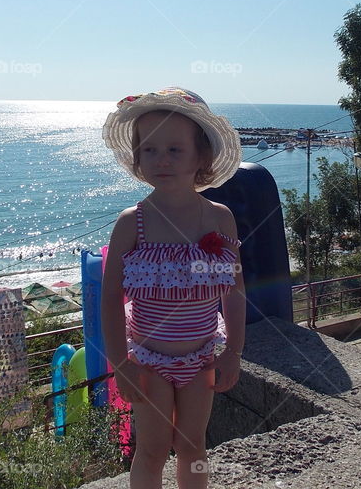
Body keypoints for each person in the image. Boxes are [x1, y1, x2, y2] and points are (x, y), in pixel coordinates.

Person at [100, 87, 245, 488]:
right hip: (148, 360)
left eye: (175, 150)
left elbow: (234, 291)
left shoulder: (220, 219)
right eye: (149, 149)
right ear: (137, 157)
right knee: (151, 448)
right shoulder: (134, 222)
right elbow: (110, 298)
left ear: (202, 157)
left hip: (201, 358)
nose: (161, 159)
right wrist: (120, 364)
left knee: (193, 445)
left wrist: (233, 351)